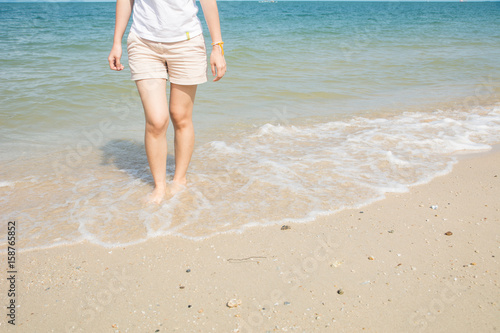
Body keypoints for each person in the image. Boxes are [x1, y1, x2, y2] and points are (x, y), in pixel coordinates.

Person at [108, 0, 226, 204]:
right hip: (143, 44)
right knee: (156, 121)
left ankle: (179, 180)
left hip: (187, 43)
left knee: (180, 116)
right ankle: (160, 187)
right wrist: (116, 42)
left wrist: (217, 47)